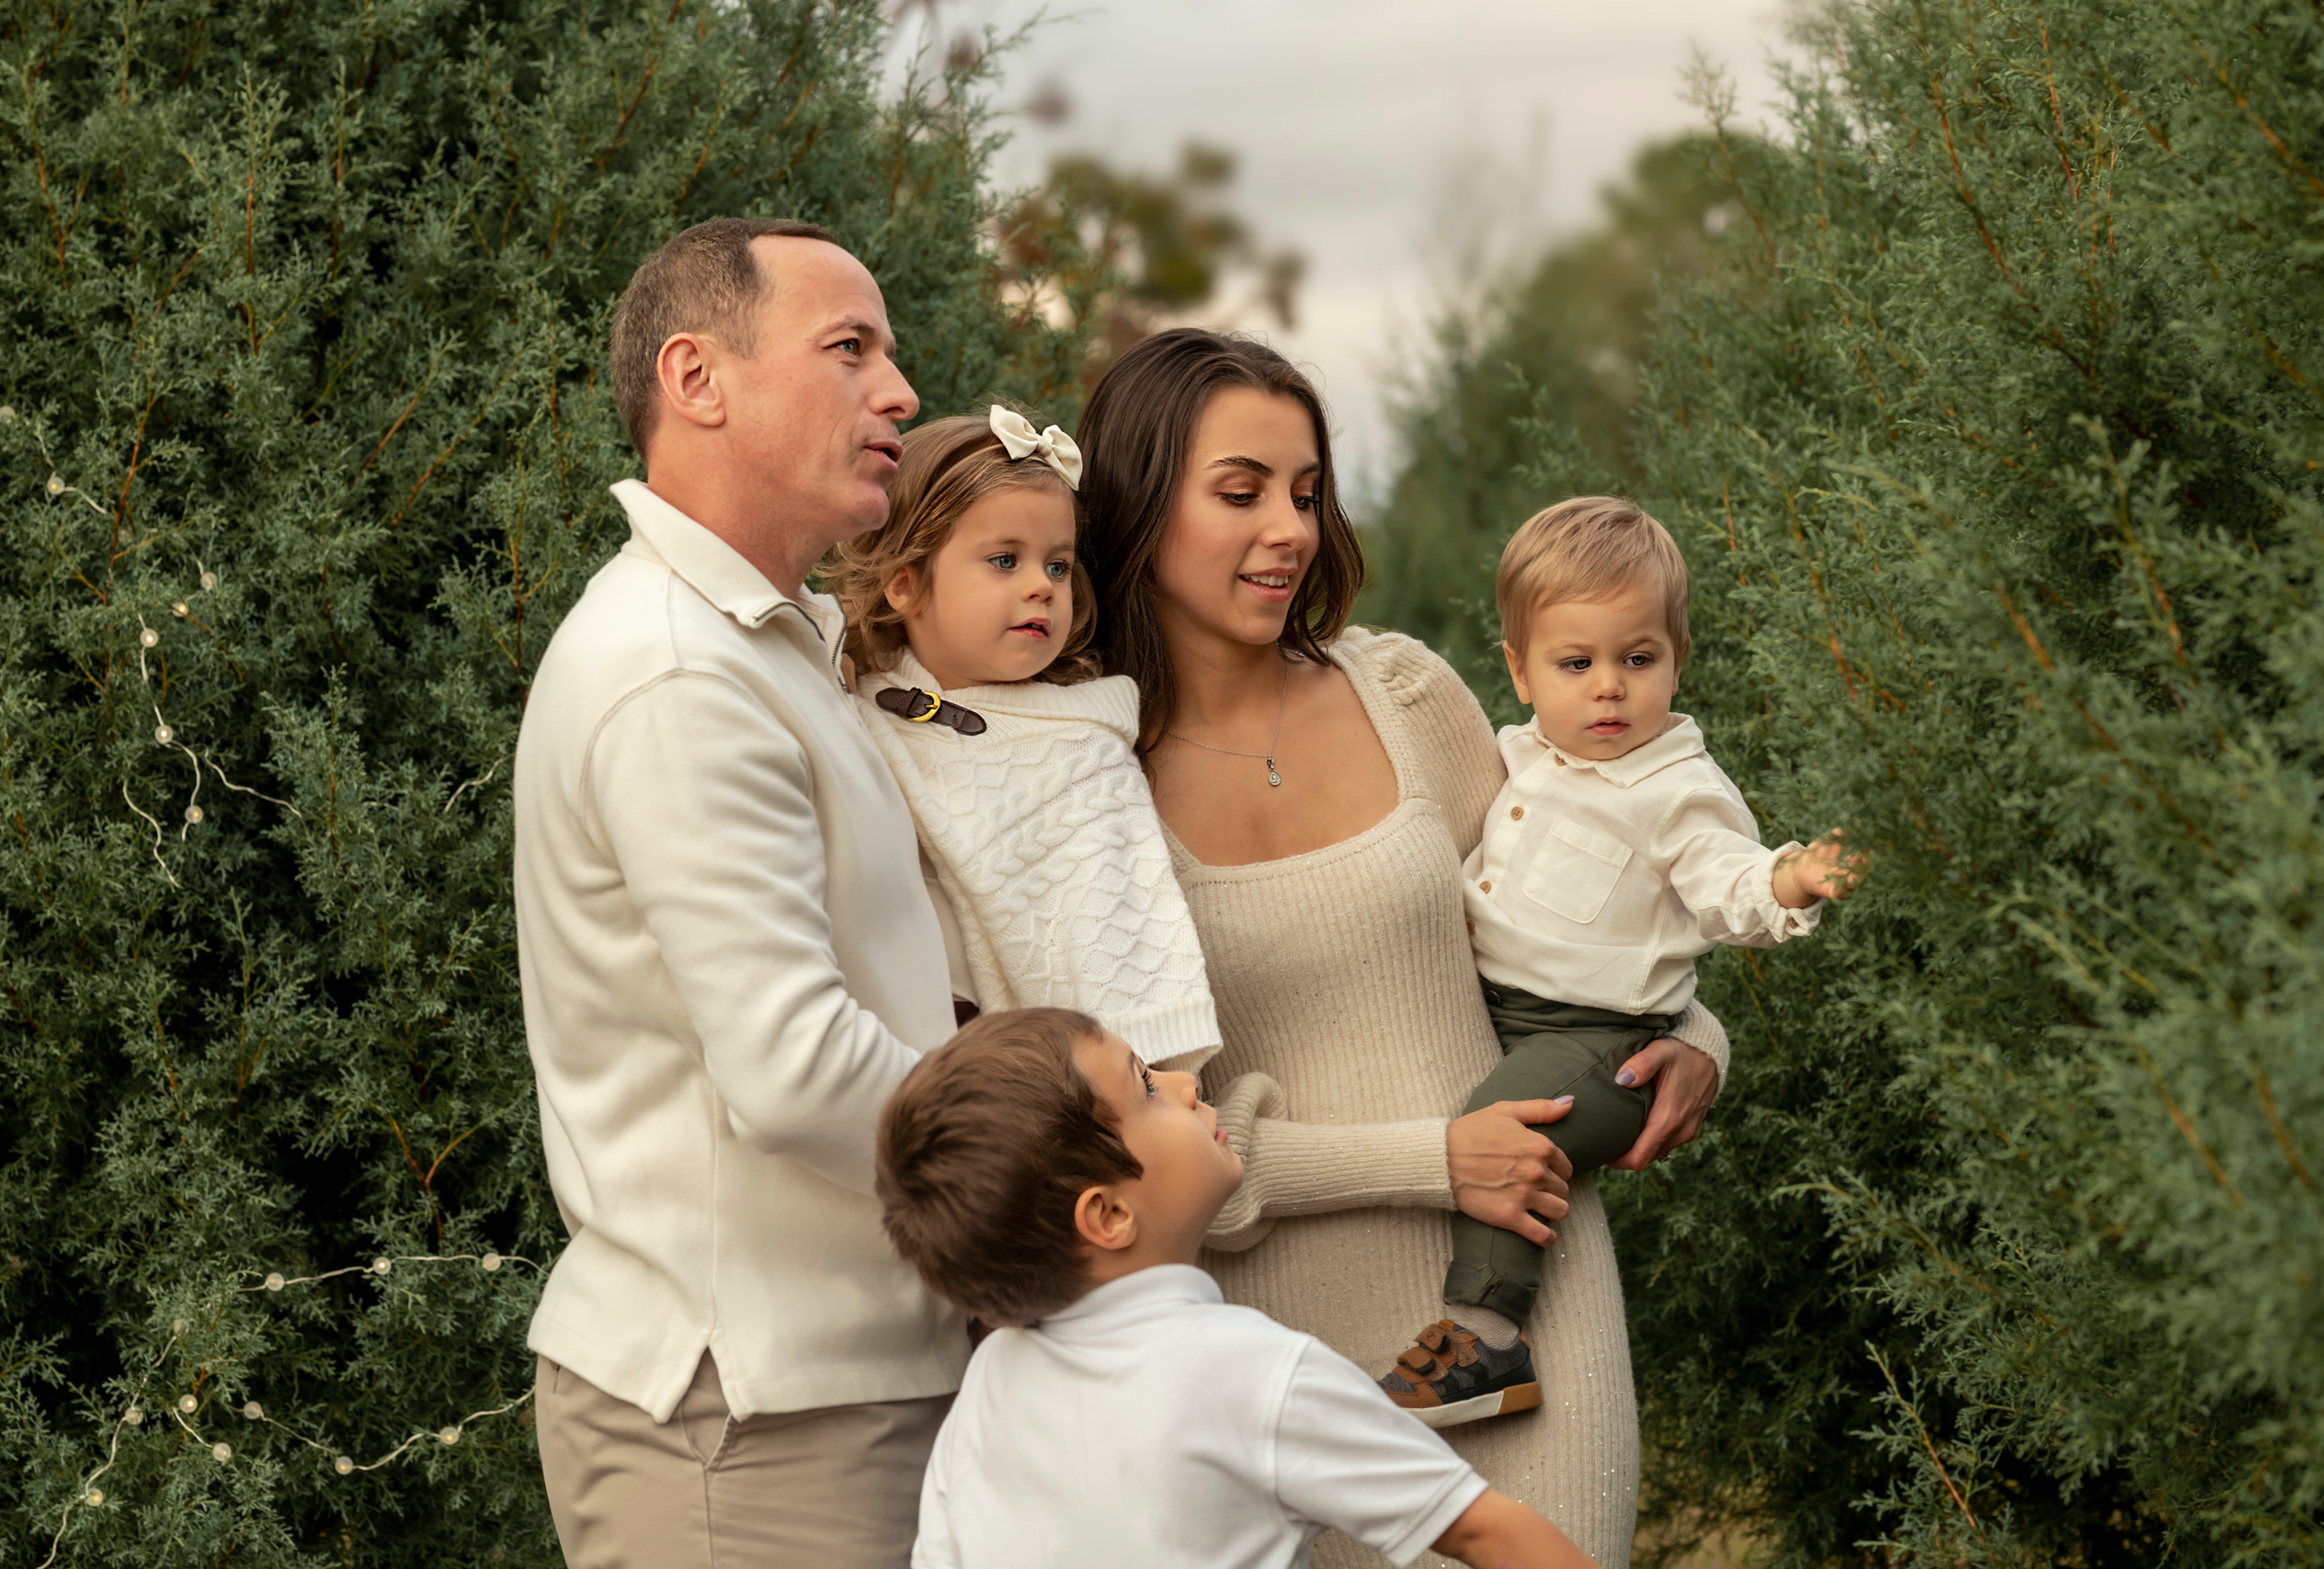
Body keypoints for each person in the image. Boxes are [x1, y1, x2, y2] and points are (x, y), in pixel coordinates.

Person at [1075, 327, 1734, 1569]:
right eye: (1242, 491)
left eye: (1309, 491)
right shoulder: (1082, 780)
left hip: (1525, 1305)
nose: (1291, 527)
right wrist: (1437, 1155)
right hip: (1272, 1351)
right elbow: (1132, 1137)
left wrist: (1697, 1041)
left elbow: (1583, 915)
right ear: (1137, 505)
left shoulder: (1408, 695)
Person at [512, 217, 964, 1569]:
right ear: (697, 379)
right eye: (851, 349)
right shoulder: (676, 672)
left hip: (826, 1387)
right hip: (747, 1422)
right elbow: (791, 1061)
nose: (901, 392)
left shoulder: (758, 647)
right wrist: (1050, 1183)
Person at [1376, 497, 1862, 1426]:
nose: (1609, 687)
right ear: (1520, 671)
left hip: (1601, 1040)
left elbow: (1731, 887)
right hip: (1501, 1010)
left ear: (1676, 661)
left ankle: (1487, 1340)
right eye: (1576, 663)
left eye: (1637, 660)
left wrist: (1795, 876)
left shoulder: (1677, 791)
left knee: (1505, 1127)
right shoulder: (1519, 758)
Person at [876, 1007, 1602, 1569]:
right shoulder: (1254, 1370)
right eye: (1147, 1088)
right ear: (1108, 1215)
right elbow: (1487, 1529)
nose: (1187, 1085)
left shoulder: (990, 1387)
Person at [823, 406, 1218, 1062]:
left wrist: (1139, 1067)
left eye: (1058, 567)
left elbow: (1119, 931)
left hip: (1060, 1093)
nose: (1042, 586)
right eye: (1005, 560)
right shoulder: (852, 707)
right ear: (905, 584)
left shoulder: (1081, 753)